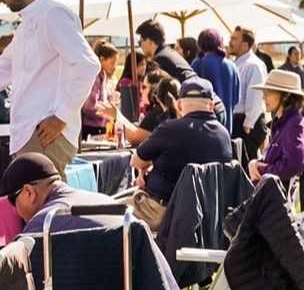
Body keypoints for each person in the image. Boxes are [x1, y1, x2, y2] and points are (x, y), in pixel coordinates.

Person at [0, 0, 101, 178]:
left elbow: (88, 65)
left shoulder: (52, 14)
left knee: (43, 209)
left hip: (45, 133)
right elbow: (4, 69)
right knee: (34, 209)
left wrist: (61, 116)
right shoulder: (31, 21)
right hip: (34, 134)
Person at [127, 77, 233, 231]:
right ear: (211, 106)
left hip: (162, 213)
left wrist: (147, 166)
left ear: (179, 105)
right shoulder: (224, 135)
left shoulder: (170, 129)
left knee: (109, 213)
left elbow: (135, 161)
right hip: (209, 218)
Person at [2, 152, 124, 235]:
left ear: (29, 192)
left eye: (13, 201)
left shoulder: (42, 226)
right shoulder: (106, 201)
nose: (16, 211)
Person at [247, 69, 304, 194]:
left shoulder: (294, 124)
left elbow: (295, 163)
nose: (263, 97)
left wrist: (262, 170)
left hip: (274, 198)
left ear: (285, 95)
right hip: (268, 193)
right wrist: (256, 164)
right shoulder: (283, 122)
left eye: (268, 92)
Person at [97, 69, 170, 147]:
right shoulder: (161, 109)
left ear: (155, 90)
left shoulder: (157, 112)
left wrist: (117, 116)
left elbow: (135, 138)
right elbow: (139, 132)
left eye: (144, 87)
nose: (141, 90)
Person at [229, 26, 269, 162]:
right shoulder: (238, 64)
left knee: (247, 167)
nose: (230, 42)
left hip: (248, 124)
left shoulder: (253, 65)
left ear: (245, 45)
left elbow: (256, 95)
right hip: (240, 122)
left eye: (234, 39)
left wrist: (248, 123)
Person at [191, 29, 240, 133]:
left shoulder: (197, 64)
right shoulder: (232, 66)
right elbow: (236, 99)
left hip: (204, 128)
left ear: (199, 44)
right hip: (226, 128)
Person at [136, 19, 197, 83]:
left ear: (150, 41)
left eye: (141, 42)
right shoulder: (169, 53)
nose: (141, 46)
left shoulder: (158, 61)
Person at [81, 39, 119, 139]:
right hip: (91, 128)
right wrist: (106, 112)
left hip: (100, 126)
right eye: (112, 63)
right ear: (102, 59)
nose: (114, 67)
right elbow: (89, 107)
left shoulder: (103, 76)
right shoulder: (95, 77)